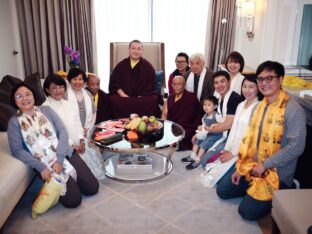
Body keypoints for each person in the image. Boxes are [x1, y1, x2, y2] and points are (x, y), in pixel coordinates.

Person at [216, 61, 306, 221]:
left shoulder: (293, 109)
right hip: (252, 167)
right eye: (261, 79)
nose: (264, 83)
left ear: (281, 79)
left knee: (246, 212)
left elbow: (296, 147)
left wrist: (265, 165)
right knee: (223, 190)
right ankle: (253, 189)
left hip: (277, 173)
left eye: (269, 78)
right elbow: (249, 140)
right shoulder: (259, 107)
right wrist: (241, 168)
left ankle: (284, 189)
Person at [7, 83, 99, 208]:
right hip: (45, 163)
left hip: (65, 152)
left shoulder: (46, 110)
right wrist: (40, 167)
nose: (25, 98)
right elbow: (17, 150)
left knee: (92, 188)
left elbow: (63, 133)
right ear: (14, 100)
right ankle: (66, 182)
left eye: (28, 94)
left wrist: (60, 160)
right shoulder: (14, 122)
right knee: (73, 201)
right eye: (19, 96)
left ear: (33, 96)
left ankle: (73, 179)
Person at [43, 74, 106, 180]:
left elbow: (77, 123)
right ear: (47, 90)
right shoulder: (46, 108)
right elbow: (54, 135)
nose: (58, 91)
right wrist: (73, 146)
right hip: (63, 148)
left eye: (61, 87)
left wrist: (81, 139)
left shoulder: (67, 104)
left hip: (77, 142)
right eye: (54, 88)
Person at [195, 70, 243, 168]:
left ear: (229, 82)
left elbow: (227, 125)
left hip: (232, 138)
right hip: (222, 134)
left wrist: (207, 130)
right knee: (197, 144)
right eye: (216, 83)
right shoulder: (220, 100)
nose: (219, 85)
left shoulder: (234, 98)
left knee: (204, 161)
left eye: (222, 81)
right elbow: (217, 120)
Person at [108, 39, 161, 118]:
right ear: (129, 50)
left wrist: (142, 95)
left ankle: (144, 122)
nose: (136, 51)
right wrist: (122, 94)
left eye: (139, 49)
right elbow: (114, 83)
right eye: (133, 48)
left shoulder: (148, 66)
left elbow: (152, 84)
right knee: (112, 99)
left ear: (142, 51)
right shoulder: (121, 65)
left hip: (142, 98)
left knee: (153, 99)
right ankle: (121, 123)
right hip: (124, 98)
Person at [181, 96, 224, 170]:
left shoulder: (216, 115)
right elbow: (204, 126)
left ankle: (197, 160)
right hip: (207, 134)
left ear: (215, 106)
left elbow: (223, 124)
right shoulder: (204, 116)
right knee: (197, 140)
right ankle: (193, 156)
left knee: (204, 144)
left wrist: (214, 125)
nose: (206, 107)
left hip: (216, 135)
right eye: (205, 104)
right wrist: (200, 127)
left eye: (209, 105)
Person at [161, 75, 201, 151]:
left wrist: (174, 130)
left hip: (185, 127)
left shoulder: (191, 98)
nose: (176, 87)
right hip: (172, 126)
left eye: (179, 84)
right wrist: (165, 127)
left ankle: (173, 140)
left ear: (184, 84)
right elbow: (164, 114)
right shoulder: (170, 97)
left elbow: (188, 118)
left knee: (184, 136)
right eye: (174, 84)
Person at [66, 67, 96, 138]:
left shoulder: (88, 94)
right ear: (70, 80)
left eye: (80, 79)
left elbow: (94, 112)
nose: (77, 82)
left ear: (84, 81)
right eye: (74, 79)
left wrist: (89, 128)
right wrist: (78, 130)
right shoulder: (65, 95)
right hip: (71, 133)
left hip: (87, 131)